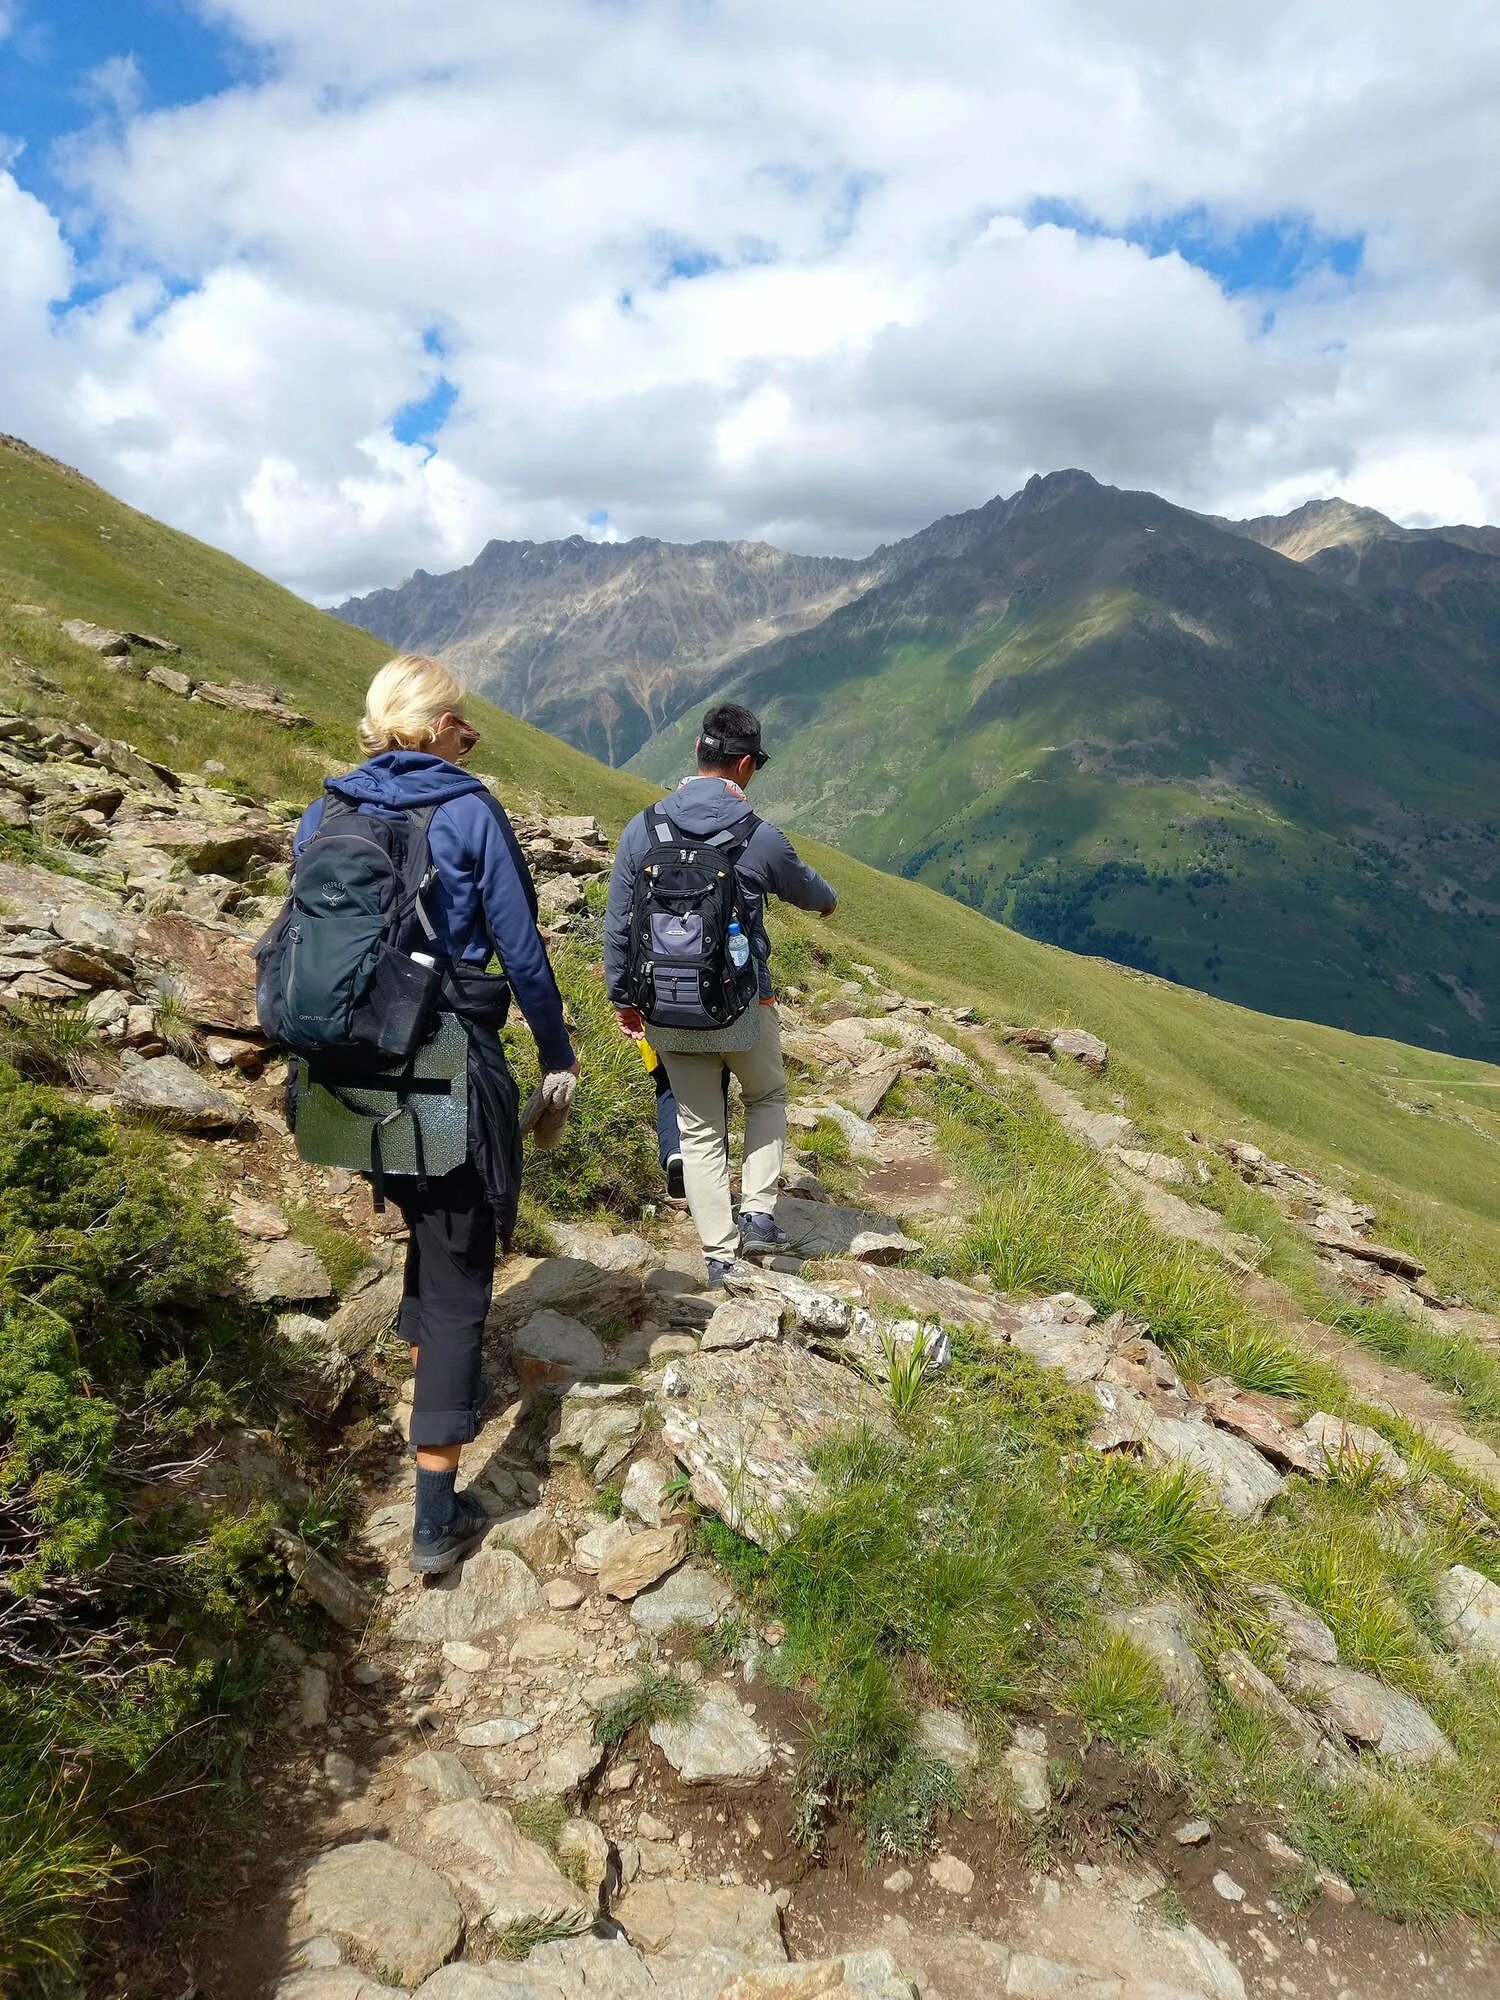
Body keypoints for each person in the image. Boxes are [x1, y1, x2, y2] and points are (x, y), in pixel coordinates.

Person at [293, 654, 578, 1575]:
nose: (472, 735)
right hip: (446, 1064)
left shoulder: (328, 809)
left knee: (427, 1218)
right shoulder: (465, 809)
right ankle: (433, 1514)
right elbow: (520, 946)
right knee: (461, 1270)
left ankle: (433, 1378)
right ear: (429, 724)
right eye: (461, 720)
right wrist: (556, 1049)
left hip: (348, 1073)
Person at [605, 702, 836, 1284]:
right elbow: (812, 892)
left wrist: (624, 999)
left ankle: (719, 1256)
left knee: (699, 1126)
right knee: (766, 1096)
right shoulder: (757, 837)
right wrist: (827, 899)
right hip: (742, 1007)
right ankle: (757, 1212)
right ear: (741, 764)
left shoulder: (644, 828)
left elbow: (618, 924)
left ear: (697, 755)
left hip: (665, 1004)